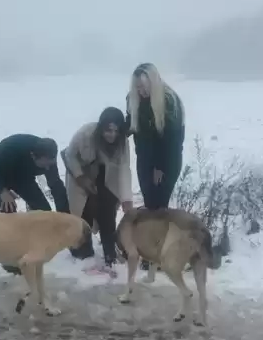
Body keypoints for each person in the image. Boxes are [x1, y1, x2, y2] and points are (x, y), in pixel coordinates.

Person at [0, 134, 70, 275]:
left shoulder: (49, 156)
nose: (48, 167)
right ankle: (9, 261)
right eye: (45, 164)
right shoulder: (11, 148)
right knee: (9, 216)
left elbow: (57, 188)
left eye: (51, 163)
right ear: (33, 156)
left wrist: (66, 220)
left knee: (44, 211)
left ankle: (35, 249)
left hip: (23, 177)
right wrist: (1, 190)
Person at [61, 107, 134, 274]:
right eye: (108, 130)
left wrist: (126, 199)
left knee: (107, 213)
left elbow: (124, 168)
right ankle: (82, 250)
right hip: (80, 174)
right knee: (84, 213)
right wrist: (80, 177)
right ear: (101, 127)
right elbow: (70, 155)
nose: (112, 135)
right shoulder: (85, 133)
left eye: (116, 131)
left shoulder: (122, 142)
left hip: (106, 177)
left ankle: (110, 253)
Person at [125, 62, 186, 210]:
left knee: (159, 205)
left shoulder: (169, 100)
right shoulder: (133, 98)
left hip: (167, 159)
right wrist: (111, 129)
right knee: (149, 203)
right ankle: (152, 232)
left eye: (145, 86)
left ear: (154, 81)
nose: (141, 91)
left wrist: (160, 167)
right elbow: (131, 124)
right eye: (138, 87)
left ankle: (161, 232)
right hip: (145, 157)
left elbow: (173, 141)